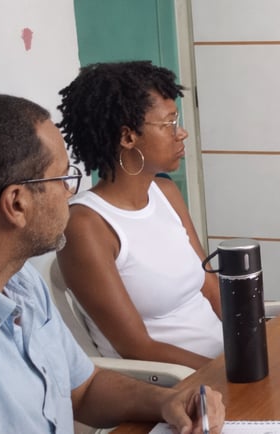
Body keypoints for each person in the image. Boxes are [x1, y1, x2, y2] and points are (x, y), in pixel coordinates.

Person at [0, 93, 224, 433]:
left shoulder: (23, 284)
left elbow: (83, 390)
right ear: (17, 203)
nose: (70, 192)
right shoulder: (88, 224)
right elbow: (135, 346)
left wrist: (166, 401)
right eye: (62, 178)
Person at [56, 61, 223, 369]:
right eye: (169, 123)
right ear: (128, 137)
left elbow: (211, 287)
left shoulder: (166, 192)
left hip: (225, 362)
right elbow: (137, 348)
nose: (181, 133)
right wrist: (223, 375)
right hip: (178, 384)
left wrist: (254, 346)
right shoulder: (86, 226)